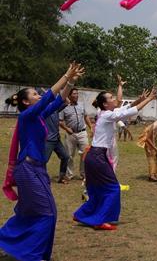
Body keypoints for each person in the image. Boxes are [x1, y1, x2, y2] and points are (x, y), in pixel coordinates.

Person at [0, 63, 84, 261]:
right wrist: (65, 75)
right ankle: (33, 255)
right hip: (27, 170)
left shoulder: (38, 116)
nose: (39, 95)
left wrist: (71, 81)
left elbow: (58, 99)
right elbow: (49, 97)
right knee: (47, 213)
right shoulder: (27, 115)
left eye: (38, 95)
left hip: (37, 169)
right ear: (26, 102)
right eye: (35, 95)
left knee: (29, 212)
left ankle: (6, 241)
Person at [74, 87, 156, 231]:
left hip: (95, 156)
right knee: (113, 189)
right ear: (105, 104)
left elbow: (127, 108)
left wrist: (141, 99)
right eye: (111, 98)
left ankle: (82, 214)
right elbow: (129, 111)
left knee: (98, 189)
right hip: (97, 156)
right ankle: (99, 220)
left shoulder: (107, 113)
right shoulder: (106, 115)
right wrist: (149, 99)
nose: (115, 100)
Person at [59, 88, 94, 180]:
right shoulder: (64, 107)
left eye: (77, 94)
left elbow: (86, 116)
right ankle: (69, 174)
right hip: (71, 134)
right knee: (69, 155)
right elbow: (60, 121)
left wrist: (90, 127)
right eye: (74, 94)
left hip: (82, 133)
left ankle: (84, 174)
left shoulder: (81, 105)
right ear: (69, 95)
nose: (76, 95)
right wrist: (66, 128)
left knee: (85, 154)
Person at [44, 103, 70, 184]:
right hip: (48, 140)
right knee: (43, 160)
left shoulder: (56, 108)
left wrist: (60, 90)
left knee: (65, 157)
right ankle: (42, 178)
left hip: (57, 140)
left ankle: (62, 177)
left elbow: (67, 101)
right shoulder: (45, 110)